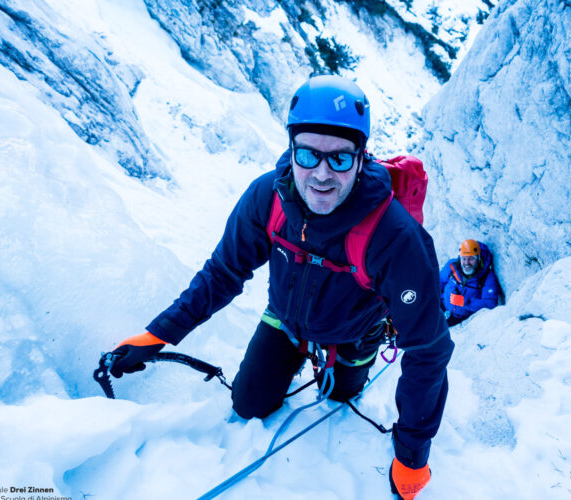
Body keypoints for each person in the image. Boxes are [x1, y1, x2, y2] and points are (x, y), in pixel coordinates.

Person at [106, 75, 454, 499]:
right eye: (308, 155)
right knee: (247, 404)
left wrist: (412, 454)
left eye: (340, 159)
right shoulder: (267, 199)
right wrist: (158, 334)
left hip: (353, 331)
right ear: (291, 152)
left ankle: (351, 359)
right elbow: (223, 273)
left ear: (362, 159)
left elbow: (428, 348)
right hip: (286, 321)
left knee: (342, 394)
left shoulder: (394, 236)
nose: (322, 175)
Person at [440, 239, 500, 327]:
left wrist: (465, 302)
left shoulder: (487, 277)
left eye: (471, 258)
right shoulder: (452, 266)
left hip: (458, 317)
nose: (467, 263)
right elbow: (438, 283)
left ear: (479, 258)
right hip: (441, 303)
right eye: (464, 259)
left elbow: (490, 304)